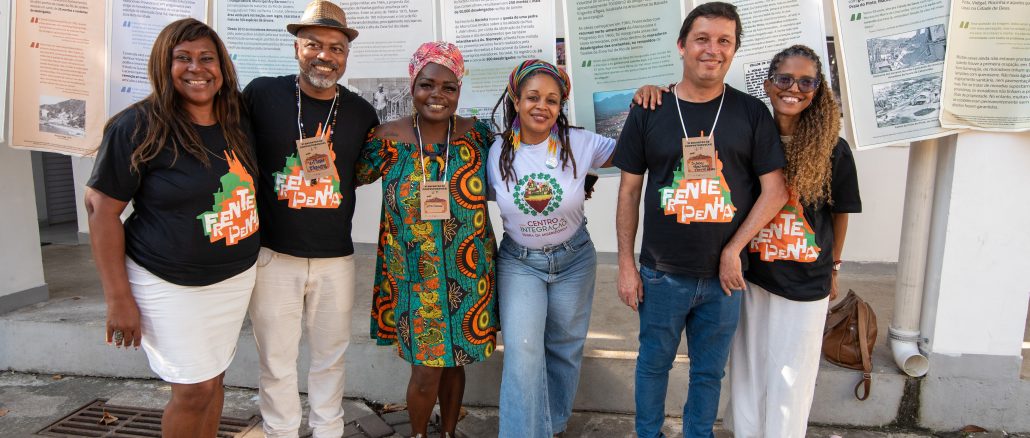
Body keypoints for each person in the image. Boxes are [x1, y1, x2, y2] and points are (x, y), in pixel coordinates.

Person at [634, 44, 863, 437]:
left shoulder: (832, 149)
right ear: (768, 84)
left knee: (792, 373)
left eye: (806, 81)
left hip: (806, 278)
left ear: (818, 88)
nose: (794, 88)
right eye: (784, 79)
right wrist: (656, 90)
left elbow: (841, 211)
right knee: (747, 369)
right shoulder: (752, 126)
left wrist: (836, 265)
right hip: (752, 273)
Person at [612, 3, 789, 437]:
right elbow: (629, 191)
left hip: (723, 279)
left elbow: (776, 190)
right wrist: (625, 265)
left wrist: (734, 249)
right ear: (682, 46)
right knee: (652, 366)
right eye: (702, 39)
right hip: (659, 275)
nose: (713, 49)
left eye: (724, 41)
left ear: (734, 50)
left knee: (709, 375)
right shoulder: (649, 108)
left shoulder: (751, 113)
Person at [85, 18, 259, 438]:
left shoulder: (237, 117)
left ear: (223, 66)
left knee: (214, 379)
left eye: (206, 58)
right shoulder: (137, 126)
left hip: (233, 279)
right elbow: (101, 211)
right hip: (169, 282)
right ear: (164, 66)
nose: (196, 68)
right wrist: (118, 299)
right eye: (182, 58)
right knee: (193, 389)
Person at [241, 1, 379, 437]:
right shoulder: (261, 95)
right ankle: (279, 431)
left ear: (346, 55)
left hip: (335, 257)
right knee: (277, 360)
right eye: (314, 44)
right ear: (297, 47)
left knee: (330, 357)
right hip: (273, 255)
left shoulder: (360, 112)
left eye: (336, 48)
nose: (325, 55)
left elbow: (359, 173)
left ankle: (328, 431)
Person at [356, 41, 499, 438]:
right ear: (412, 84)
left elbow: (522, 163)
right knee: (426, 370)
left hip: (469, 270)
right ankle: (420, 434)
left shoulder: (478, 137)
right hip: (416, 278)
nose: (437, 95)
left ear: (459, 90)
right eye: (427, 84)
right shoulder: (387, 138)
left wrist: (581, 175)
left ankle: (449, 433)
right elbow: (344, 179)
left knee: (455, 363)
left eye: (448, 87)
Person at [487, 59, 616, 438]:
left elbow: (636, 152)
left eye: (552, 100)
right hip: (520, 263)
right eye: (532, 97)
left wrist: (651, 100)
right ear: (515, 98)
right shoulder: (495, 152)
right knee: (523, 353)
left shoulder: (580, 143)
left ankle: (553, 426)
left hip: (574, 259)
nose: (542, 106)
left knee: (564, 348)